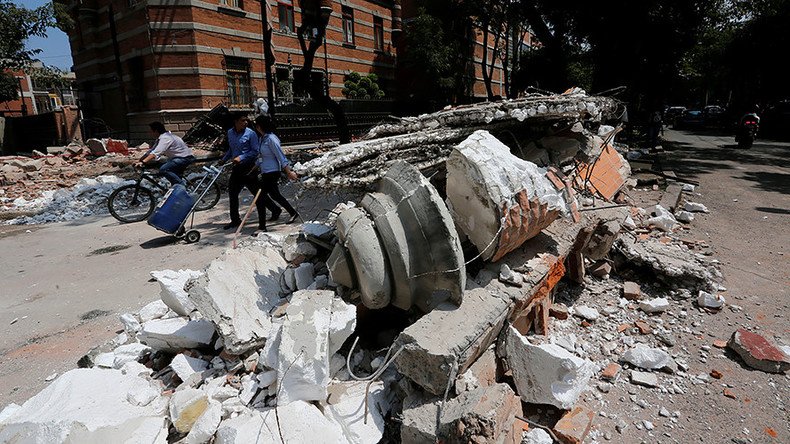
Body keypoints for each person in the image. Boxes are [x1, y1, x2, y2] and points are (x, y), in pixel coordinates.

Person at [221, 113, 279, 231]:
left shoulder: (251, 134)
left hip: (249, 168)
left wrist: (241, 157)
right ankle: (235, 219)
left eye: (246, 120)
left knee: (257, 194)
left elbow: (255, 151)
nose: (246, 123)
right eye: (243, 120)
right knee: (232, 193)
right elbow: (231, 149)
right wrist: (224, 159)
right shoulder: (230, 133)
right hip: (236, 169)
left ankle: (275, 209)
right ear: (236, 121)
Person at [254, 114, 299, 230]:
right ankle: (292, 212)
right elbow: (261, 156)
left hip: (273, 172)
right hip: (265, 171)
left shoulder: (271, 139)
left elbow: (281, 157)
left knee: (260, 198)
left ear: (259, 127)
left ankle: (262, 227)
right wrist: (255, 166)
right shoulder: (261, 139)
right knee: (275, 195)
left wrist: (289, 172)